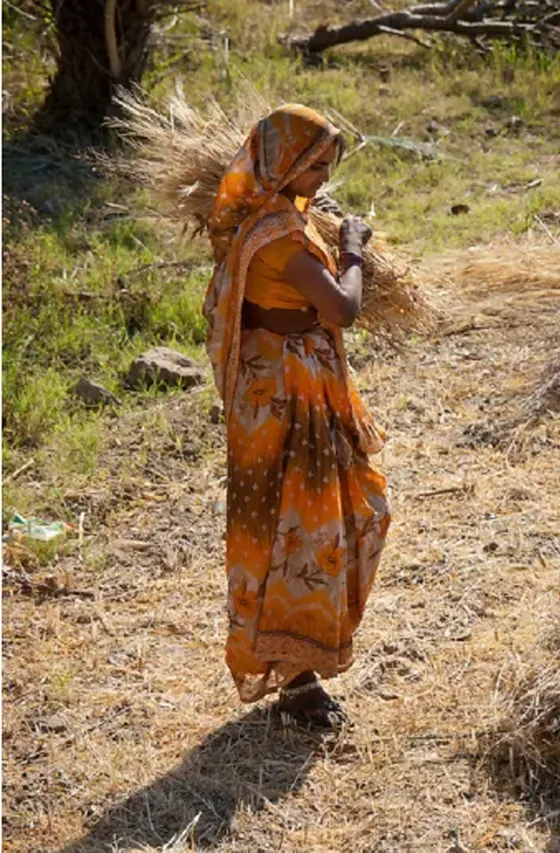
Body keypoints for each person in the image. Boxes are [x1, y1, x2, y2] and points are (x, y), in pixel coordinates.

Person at [205, 104, 391, 728]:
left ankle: (299, 662)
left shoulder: (269, 216)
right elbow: (341, 310)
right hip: (281, 395)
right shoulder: (280, 236)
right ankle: (297, 672)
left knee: (312, 522)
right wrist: (354, 250)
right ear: (287, 164)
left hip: (285, 385)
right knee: (303, 529)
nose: (324, 178)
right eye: (316, 165)